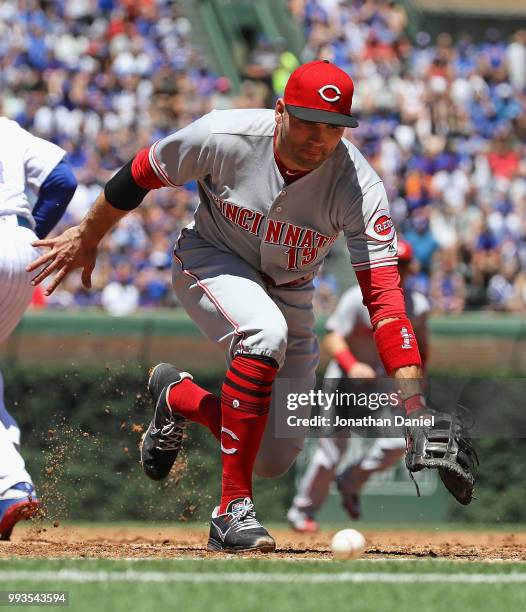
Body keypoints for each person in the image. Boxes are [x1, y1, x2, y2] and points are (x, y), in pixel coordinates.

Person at [27, 61, 472, 554]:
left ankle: (178, 398)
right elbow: (139, 173)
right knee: (264, 333)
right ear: (280, 111)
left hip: (292, 291)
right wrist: (88, 236)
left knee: (274, 455)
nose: (318, 138)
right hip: (211, 260)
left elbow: (386, 301)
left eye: (333, 127)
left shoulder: (358, 184)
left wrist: (413, 408)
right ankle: (231, 512)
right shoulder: (224, 132)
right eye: (307, 121)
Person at [287, 239, 430, 533]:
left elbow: (422, 350)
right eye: (395, 264)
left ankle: (351, 481)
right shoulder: (358, 297)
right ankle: (302, 511)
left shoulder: (419, 305)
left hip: (382, 383)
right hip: (345, 380)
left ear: (411, 269)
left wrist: (411, 387)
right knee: (331, 452)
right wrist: (352, 365)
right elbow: (331, 338)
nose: (399, 270)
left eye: (403, 265)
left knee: (396, 443)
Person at [0, 117, 77, 540]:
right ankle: (9, 489)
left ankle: (10, 485)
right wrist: (28, 239)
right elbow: (63, 181)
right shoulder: (7, 128)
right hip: (20, 250)